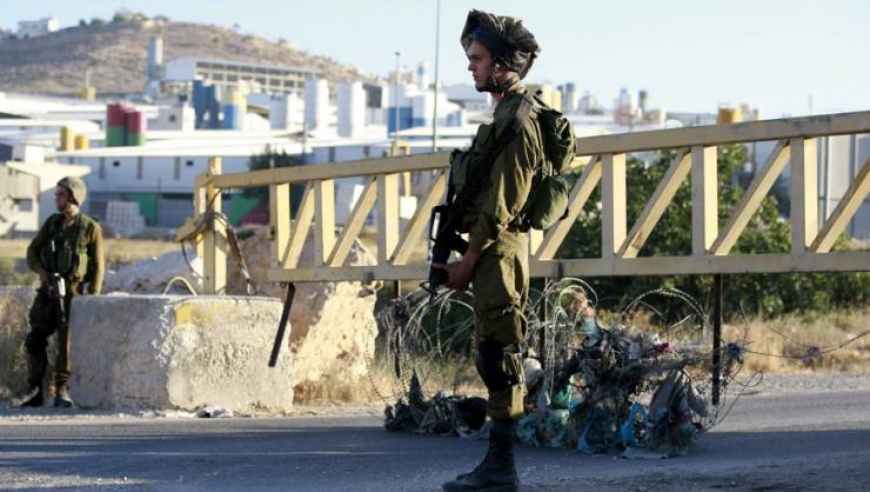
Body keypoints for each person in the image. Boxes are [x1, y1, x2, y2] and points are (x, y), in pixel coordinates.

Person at [435, 9, 543, 492]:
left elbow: (504, 203)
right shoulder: (504, 114)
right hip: (491, 249)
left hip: (498, 251)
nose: (470, 66)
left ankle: (502, 467)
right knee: (491, 353)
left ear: (501, 65)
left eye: (477, 58)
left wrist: (470, 260)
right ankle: (497, 464)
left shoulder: (519, 118)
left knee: (499, 355)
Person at [16, 176, 104, 408]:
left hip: (73, 293)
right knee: (34, 339)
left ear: (74, 197)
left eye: (61, 194)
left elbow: (98, 267)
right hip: (48, 291)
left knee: (66, 344)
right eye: (57, 194)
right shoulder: (52, 224)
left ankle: (62, 390)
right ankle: (35, 390)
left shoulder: (90, 228)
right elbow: (32, 252)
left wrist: (92, 298)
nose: (57, 198)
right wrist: (41, 271)